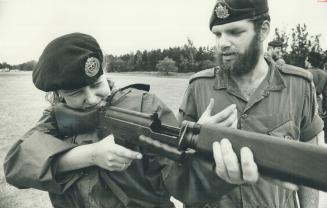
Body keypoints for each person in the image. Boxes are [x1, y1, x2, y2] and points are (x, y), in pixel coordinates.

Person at [174, 0, 324, 207]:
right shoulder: (198, 86)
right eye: (217, 34)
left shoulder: (299, 86)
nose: (222, 44)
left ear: (263, 31)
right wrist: (198, 139)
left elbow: (309, 165)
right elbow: (172, 163)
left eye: (235, 32)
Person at [3, 33, 179, 208]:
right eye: (76, 93)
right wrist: (92, 155)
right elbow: (15, 164)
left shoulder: (145, 106)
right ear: (58, 95)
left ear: (105, 71)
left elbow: (183, 176)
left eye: (96, 85)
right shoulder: (55, 118)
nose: (92, 99)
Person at [305, 51, 327, 142]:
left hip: (307, 104)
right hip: (319, 105)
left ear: (309, 61)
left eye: (306, 59)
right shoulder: (324, 74)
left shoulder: (305, 73)